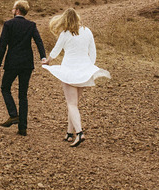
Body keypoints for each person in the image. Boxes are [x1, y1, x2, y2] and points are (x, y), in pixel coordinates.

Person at [42, 8, 109, 147]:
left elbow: (56, 50)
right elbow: (93, 52)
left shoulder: (65, 34)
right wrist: (89, 66)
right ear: (77, 18)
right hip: (83, 71)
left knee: (71, 103)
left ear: (64, 20)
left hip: (69, 70)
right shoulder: (87, 31)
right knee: (74, 104)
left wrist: (48, 61)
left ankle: (79, 133)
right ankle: (69, 133)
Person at [0, 0, 47, 136]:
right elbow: (38, 41)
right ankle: (22, 128)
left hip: (12, 63)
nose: (12, 10)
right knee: (23, 95)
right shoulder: (31, 25)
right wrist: (43, 57)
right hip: (26, 64)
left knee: (5, 87)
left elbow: (2, 45)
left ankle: (13, 114)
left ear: (17, 10)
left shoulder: (8, 24)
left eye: (13, 8)